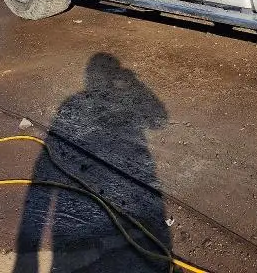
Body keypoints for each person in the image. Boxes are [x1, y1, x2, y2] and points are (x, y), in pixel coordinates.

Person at [12, 53, 170, 272]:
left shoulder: (74, 102)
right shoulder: (75, 103)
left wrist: (134, 84)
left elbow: (159, 119)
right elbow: (159, 120)